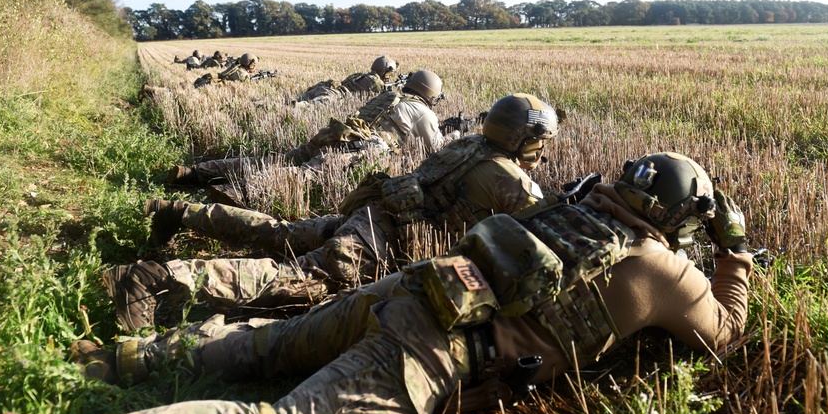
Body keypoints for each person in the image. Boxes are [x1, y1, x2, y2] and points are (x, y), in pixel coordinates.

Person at [0, 151, 753, 414]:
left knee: (273, 342)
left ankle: (120, 358)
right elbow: (726, 335)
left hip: (409, 285)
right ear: (685, 219)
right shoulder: (666, 269)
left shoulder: (570, 203)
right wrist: (737, 254)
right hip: (436, 349)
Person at [103, 92, 557, 332]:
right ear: (526, 140)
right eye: (541, 141)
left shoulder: (467, 145)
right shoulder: (510, 180)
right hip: (378, 242)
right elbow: (539, 234)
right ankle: (154, 280)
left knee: (283, 232)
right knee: (298, 280)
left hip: (371, 215)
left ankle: (179, 211)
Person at [171, 69, 448, 194]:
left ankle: (195, 172)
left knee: (272, 161)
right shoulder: (423, 112)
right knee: (300, 176)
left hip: (333, 133)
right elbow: (436, 148)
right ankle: (231, 193)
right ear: (431, 94)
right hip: (357, 148)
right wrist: (455, 134)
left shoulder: (388, 97)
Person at [292, 55, 399, 106]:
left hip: (325, 89)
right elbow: (385, 97)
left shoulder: (360, 75)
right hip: (333, 96)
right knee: (306, 107)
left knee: (297, 100)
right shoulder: (376, 82)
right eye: (389, 73)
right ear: (384, 71)